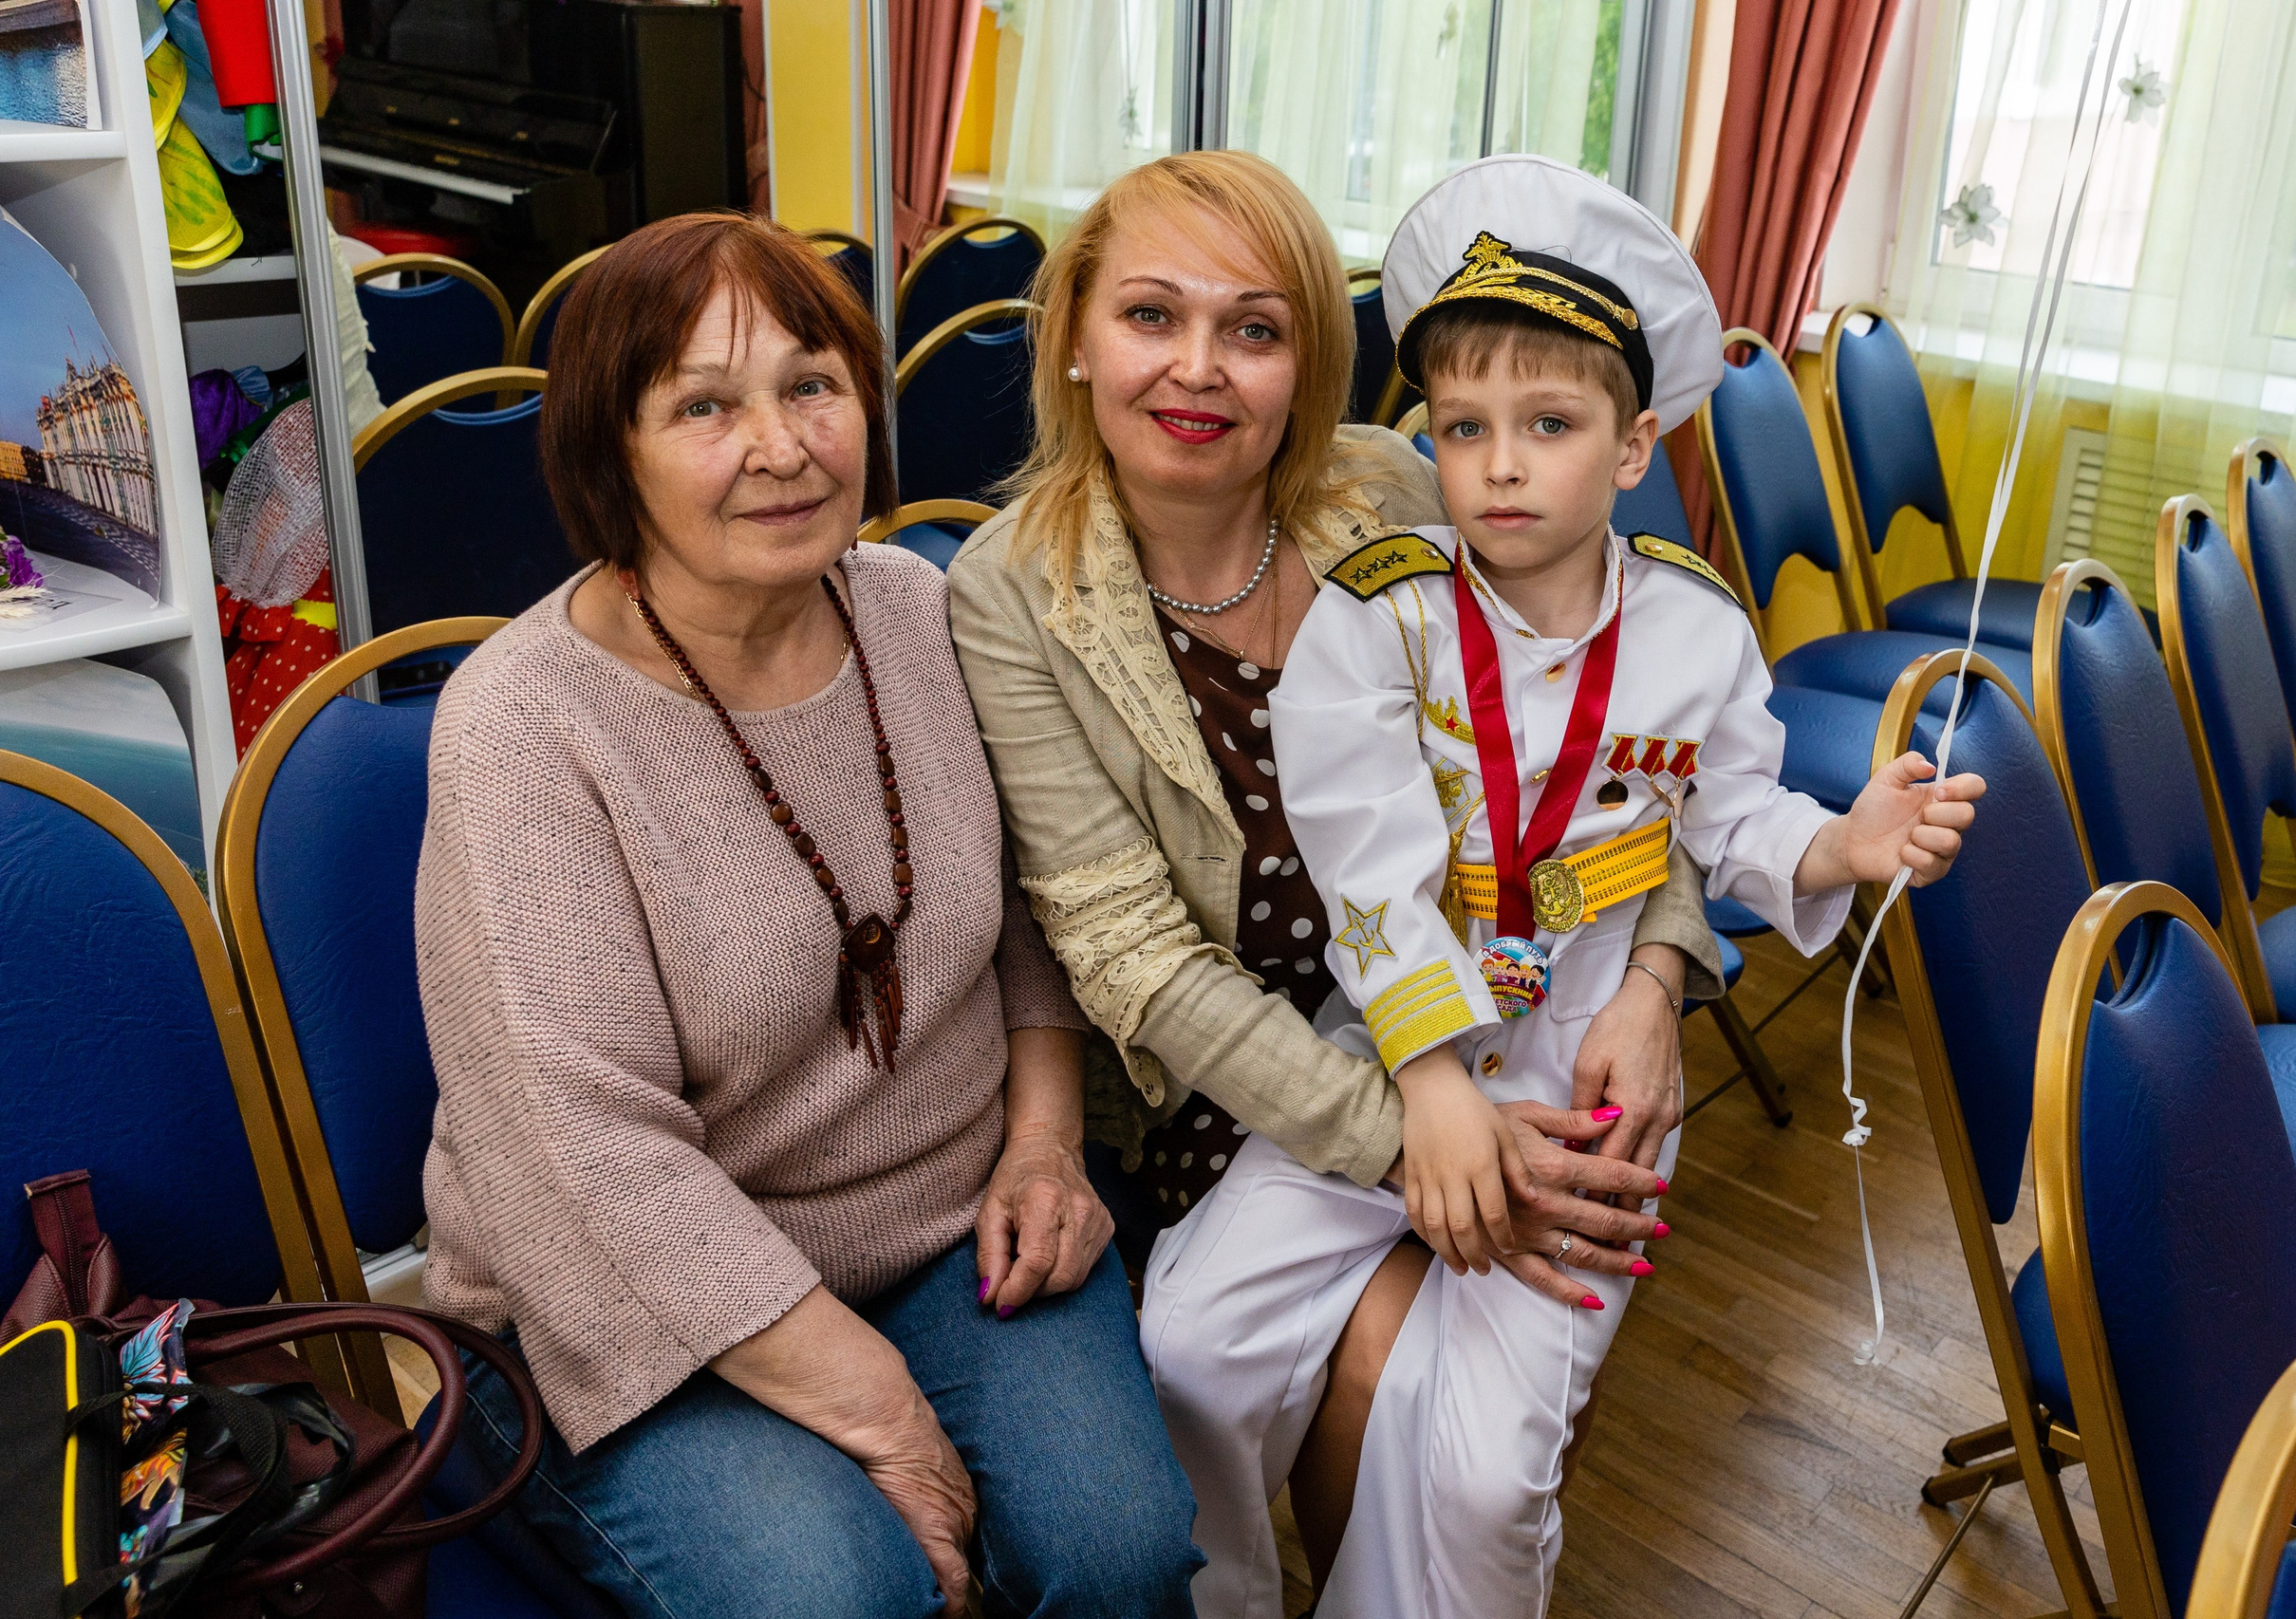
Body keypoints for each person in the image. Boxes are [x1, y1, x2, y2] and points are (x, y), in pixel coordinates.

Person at [1142, 155, 1988, 1617]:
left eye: (1550, 423)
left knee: (1481, 1474)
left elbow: (1732, 813)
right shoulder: (1378, 615)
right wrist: (1435, 1080)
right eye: (1463, 428)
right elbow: (1369, 875)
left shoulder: (1698, 627)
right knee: (1193, 1342)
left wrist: (1847, 842)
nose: (1502, 465)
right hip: (1398, 1050)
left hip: (1591, 1079)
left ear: (1635, 442)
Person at [946, 149, 1727, 1597]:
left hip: (1497, 1031)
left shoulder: (1392, 493)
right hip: (1228, 1104)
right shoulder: (1010, 592)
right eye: (1151, 316)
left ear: (1311, 361)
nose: (1200, 368)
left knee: (1459, 1426)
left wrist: (1663, 974)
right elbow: (1135, 958)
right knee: (1334, 1369)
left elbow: (1624, 731)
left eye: (1255, 327)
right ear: (1071, 336)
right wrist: (1407, 1130)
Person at [414, 212, 1200, 1619]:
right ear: (612, 452)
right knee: (844, 1593)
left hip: (960, 1224)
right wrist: (884, 1410)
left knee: (1119, 1553)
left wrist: (1044, 1142)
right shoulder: (523, 727)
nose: (779, 445)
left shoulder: (916, 606)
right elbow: (578, 1156)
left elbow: (1032, 919)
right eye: (705, 405)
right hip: (640, 1294)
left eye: (811, 384)